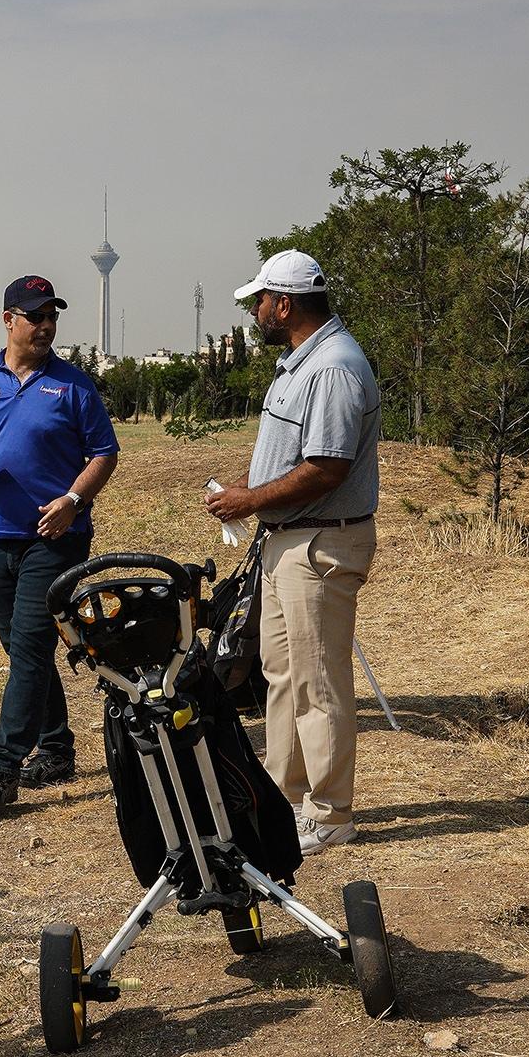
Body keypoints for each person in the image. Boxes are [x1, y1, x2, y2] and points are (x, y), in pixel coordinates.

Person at [205, 251, 379, 856]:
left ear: (284, 304)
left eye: (260, 300)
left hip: (319, 543)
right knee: (284, 676)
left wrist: (251, 499)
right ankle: (283, 801)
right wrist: (248, 495)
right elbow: (298, 459)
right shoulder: (303, 364)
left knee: (317, 681)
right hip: (290, 541)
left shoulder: (332, 368)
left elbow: (327, 467)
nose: (255, 311)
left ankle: (329, 815)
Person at [0, 276, 119, 816]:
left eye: (52, 317)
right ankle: (56, 748)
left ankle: (3, 767)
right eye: (36, 316)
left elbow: (104, 453)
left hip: (57, 539)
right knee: (20, 649)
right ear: (8, 320)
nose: (46, 326)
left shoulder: (73, 385)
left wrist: (74, 501)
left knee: (32, 647)